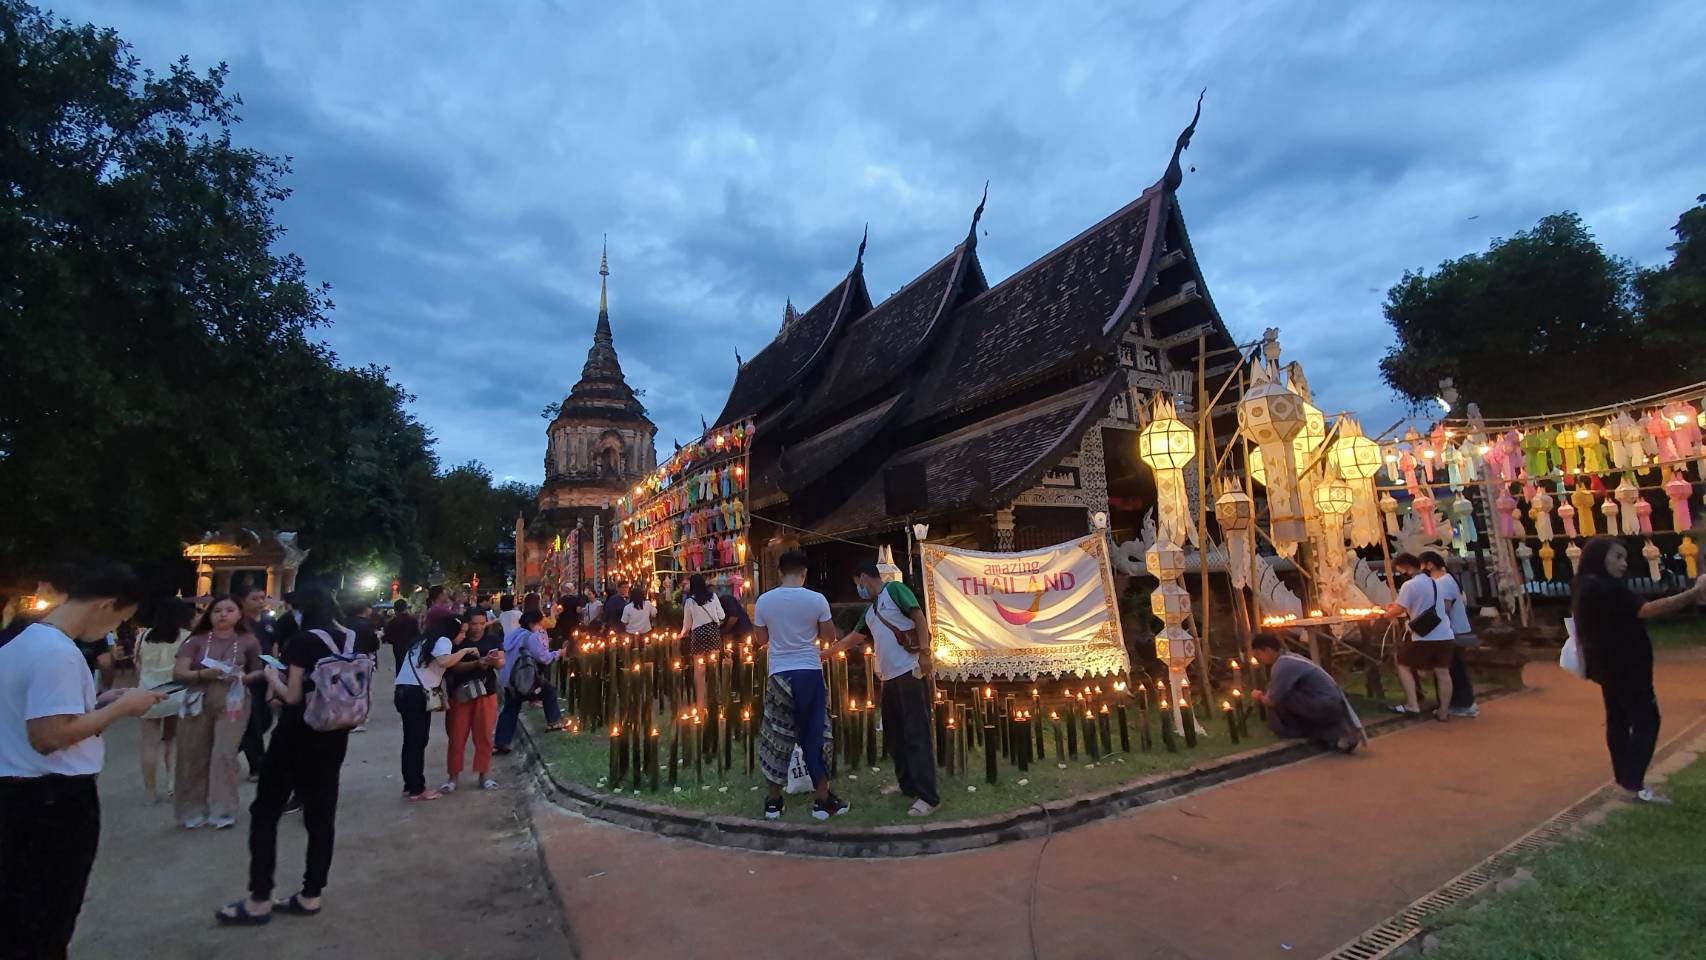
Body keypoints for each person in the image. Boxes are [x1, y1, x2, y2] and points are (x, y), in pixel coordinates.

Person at [0, 563, 164, 956]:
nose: (111, 631)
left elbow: (35, 717)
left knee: (18, 913)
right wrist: (123, 708)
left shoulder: (21, 642)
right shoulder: (57, 653)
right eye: (120, 619)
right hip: (50, 802)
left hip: (19, 795)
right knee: (46, 919)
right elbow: (49, 736)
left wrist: (97, 704)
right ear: (106, 605)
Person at [215, 585, 361, 924]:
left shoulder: (303, 641)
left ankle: (260, 899)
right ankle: (312, 894)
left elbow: (292, 696)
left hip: (296, 734)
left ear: (302, 609)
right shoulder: (355, 637)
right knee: (321, 813)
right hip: (335, 733)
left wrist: (271, 677)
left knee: (266, 810)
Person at [1572, 537, 1706, 804]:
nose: (1623, 563)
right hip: (1625, 665)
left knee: (1619, 720)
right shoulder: (1607, 589)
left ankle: (1624, 780)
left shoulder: (1583, 584)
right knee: (1647, 720)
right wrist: (1694, 592)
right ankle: (1631, 783)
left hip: (1605, 664)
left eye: (1624, 557)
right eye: (1617, 557)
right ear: (1600, 557)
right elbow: (1648, 609)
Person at [831, 561, 939, 816]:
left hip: (910, 672)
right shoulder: (870, 613)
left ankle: (928, 797)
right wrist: (825, 653)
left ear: (865, 578)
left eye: (858, 584)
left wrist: (925, 653)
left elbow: (918, 617)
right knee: (895, 734)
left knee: (916, 733)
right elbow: (853, 639)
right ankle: (907, 784)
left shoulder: (894, 591)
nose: (858, 589)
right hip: (889, 679)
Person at [754, 550, 847, 821]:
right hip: (809, 672)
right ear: (804, 573)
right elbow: (829, 636)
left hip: (779, 675)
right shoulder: (816, 599)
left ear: (780, 572)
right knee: (814, 734)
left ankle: (773, 801)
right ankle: (822, 800)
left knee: (776, 735)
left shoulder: (764, 601)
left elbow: (761, 639)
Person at [173, 595, 265, 829]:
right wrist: (203, 675)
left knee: (224, 754)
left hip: (233, 701)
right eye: (217, 610)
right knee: (194, 755)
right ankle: (192, 809)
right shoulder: (195, 641)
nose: (223, 614)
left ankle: (223, 809)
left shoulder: (249, 641)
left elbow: (259, 671)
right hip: (198, 699)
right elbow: (179, 673)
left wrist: (243, 676)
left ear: (238, 614)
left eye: (229, 610)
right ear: (209, 615)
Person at [395, 616, 480, 802]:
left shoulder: (425, 640)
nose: (463, 636)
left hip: (403, 692)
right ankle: (417, 789)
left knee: (411, 741)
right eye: (462, 632)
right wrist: (465, 651)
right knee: (417, 741)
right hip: (416, 695)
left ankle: (410, 785)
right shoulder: (443, 641)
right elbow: (444, 662)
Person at [1249, 632, 1364, 752]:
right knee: (1282, 696)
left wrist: (1258, 696)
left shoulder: (1283, 665)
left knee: (1281, 699)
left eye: (1258, 654)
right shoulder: (1291, 657)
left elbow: (1271, 700)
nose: (1259, 659)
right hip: (1332, 702)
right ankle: (1333, 733)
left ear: (1268, 650)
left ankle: (1298, 731)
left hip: (1325, 705)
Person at [1384, 551, 1455, 721]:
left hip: (1424, 637)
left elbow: (1399, 609)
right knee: (1443, 672)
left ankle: (1412, 704)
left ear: (1406, 567)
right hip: (1445, 634)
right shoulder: (1435, 582)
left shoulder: (1410, 585)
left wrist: (1385, 613)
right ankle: (1443, 712)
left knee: (1402, 662)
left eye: (1400, 569)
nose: (1400, 573)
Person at [441, 606, 505, 793]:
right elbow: (451, 666)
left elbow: (501, 661)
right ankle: (453, 777)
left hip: (486, 693)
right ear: (466, 624)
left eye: (482, 624)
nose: (478, 628)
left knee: (484, 735)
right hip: (460, 695)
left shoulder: (492, 639)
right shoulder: (458, 640)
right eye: (474, 624)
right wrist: (476, 663)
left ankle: (483, 775)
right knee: (456, 736)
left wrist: (493, 661)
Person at [137, 597, 193, 803]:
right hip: (177, 692)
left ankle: (150, 791)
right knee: (174, 741)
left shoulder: (143, 637)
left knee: (148, 744)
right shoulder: (187, 637)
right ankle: (172, 784)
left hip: (147, 693)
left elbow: (139, 665)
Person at [494, 611, 565, 753]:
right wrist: (558, 653)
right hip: (523, 679)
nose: (541, 626)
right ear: (532, 624)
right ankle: (554, 722)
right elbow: (542, 657)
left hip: (508, 679)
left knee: (510, 709)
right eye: (539, 623)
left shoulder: (513, 635)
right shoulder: (530, 637)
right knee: (548, 691)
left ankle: (501, 742)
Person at [239, 585, 279, 779]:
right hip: (245, 676)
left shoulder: (269, 621)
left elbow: (273, 645)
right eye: (254, 598)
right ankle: (257, 764)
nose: (260, 601)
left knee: (265, 719)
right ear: (244, 601)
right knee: (252, 721)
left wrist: (276, 666)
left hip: (267, 673)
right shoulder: (239, 623)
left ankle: (233, 748)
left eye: (262, 597)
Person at [677, 575, 727, 708]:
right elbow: (722, 615)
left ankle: (700, 703)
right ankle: (716, 699)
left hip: (698, 634)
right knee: (714, 667)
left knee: (699, 670)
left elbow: (687, 624)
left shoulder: (689, 602)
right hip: (712, 632)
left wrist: (682, 635)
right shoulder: (713, 597)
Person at [1440, 560, 1478, 718]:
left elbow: (1445, 608)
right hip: (1454, 630)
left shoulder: (1445, 582)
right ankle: (1462, 702)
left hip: (1452, 632)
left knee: (1452, 668)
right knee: (1454, 667)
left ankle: (1462, 703)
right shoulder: (1450, 580)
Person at [383, 596, 421, 673]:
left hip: (398, 648)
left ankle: (400, 683)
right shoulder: (413, 620)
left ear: (395, 609)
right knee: (411, 668)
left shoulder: (392, 622)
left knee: (399, 666)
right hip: (412, 648)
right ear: (406, 608)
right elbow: (418, 634)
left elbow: (387, 637)